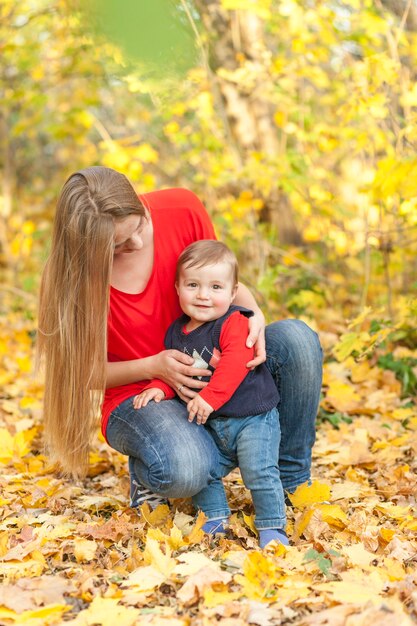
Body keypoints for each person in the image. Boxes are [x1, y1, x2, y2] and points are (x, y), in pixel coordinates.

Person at [37, 166, 322, 531]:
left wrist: (254, 316)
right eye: (118, 246)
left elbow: (225, 283)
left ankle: (291, 479)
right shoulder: (68, 278)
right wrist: (154, 367)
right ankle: (148, 465)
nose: (137, 244)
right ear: (85, 245)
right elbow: (78, 374)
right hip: (139, 395)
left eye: (138, 227)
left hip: (213, 367)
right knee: (185, 470)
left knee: (297, 340)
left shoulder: (181, 209)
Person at [134, 240, 289, 547]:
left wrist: (209, 398)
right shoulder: (176, 332)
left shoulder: (234, 322)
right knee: (206, 470)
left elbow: (234, 364)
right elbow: (180, 372)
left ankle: (273, 527)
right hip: (211, 423)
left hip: (252, 418)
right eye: (193, 285)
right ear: (178, 288)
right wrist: (159, 388)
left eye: (216, 287)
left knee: (259, 471)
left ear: (233, 293)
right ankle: (215, 517)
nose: (204, 295)